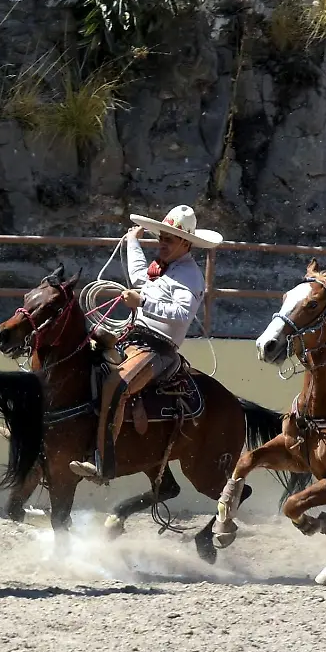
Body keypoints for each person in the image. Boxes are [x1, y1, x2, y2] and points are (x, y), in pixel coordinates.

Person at [69, 205, 223, 483]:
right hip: (133, 339)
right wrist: (132, 242)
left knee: (116, 384)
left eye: (169, 239)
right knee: (77, 357)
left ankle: (102, 463)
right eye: (161, 237)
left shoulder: (190, 276)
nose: (162, 243)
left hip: (158, 349)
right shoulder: (163, 268)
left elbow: (182, 314)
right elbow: (140, 275)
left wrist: (143, 302)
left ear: (185, 243)